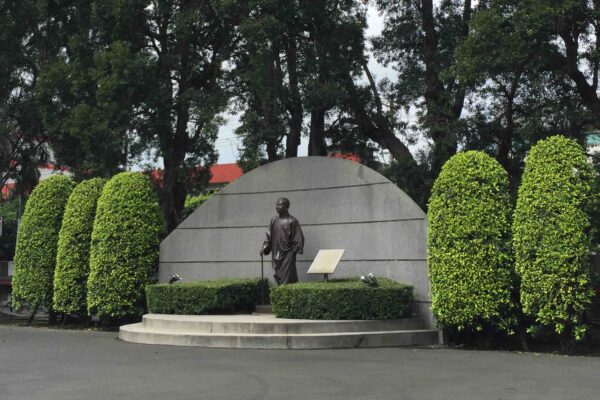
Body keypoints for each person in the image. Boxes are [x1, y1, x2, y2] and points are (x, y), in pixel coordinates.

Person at [260, 197, 304, 285]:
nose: (277, 206)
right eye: (277, 204)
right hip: (276, 253)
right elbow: (269, 236)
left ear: (286, 206)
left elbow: (299, 237)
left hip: (288, 253)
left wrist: (294, 250)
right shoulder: (274, 220)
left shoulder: (292, 221)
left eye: (280, 205)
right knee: (277, 274)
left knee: (287, 278)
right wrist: (264, 248)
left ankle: (284, 294)